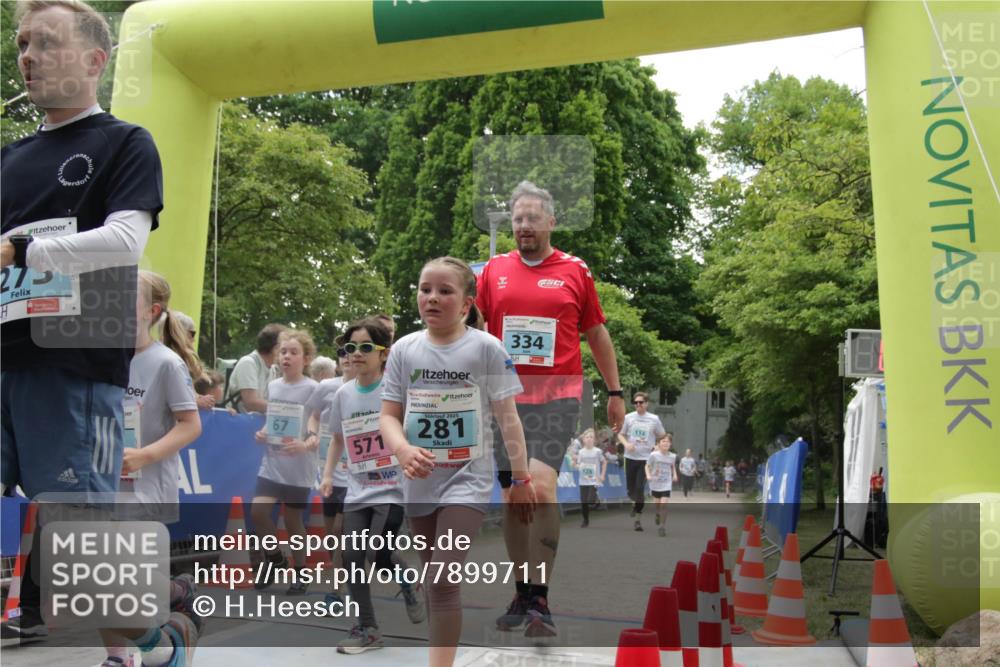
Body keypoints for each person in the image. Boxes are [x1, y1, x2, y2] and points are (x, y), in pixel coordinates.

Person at [1, 0, 163, 643]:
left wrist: (21, 250)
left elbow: (125, 240)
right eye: (21, 44)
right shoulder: (9, 156)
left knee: (83, 544)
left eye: (45, 42)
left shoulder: (124, 141)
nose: (28, 57)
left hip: (73, 354)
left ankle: (145, 645)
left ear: (95, 61)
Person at [476, 181, 624, 637]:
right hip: (505, 400)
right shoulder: (492, 271)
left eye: (532, 218)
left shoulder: (575, 271)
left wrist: (615, 393)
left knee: (539, 488)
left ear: (551, 222)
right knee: (513, 497)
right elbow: (475, 330)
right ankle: (522, 592)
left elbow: (596, 334)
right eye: (517, 218)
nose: (523, 226)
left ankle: (540, 596)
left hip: (559, 396)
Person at [381, 257, 535, 667]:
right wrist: (403, 450)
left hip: (467, 480)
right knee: (435, 584)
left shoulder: (486, 348)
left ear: (466, 304)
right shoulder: (404, 349)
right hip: (418, 481)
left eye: (445, 291)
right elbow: (388, 416)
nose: (432, 297)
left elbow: (508, 418)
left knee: (444, 579)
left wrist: (520, 479)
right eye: (425, 288)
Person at [99, 270, 203, 667]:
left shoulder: (165, 364)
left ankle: (175, 597)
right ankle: (117, 656)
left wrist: (144, 455)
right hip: (103, 486)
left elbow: (191, 425)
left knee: (126, 585)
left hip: (147, 489)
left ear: (151, 311)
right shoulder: (103, 359)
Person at [320, 318, 425, 654]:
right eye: (351, 348)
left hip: (394, 488)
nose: (356, 354)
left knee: (378, 554)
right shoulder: (342, 394)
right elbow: (338, 439)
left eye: (366, 347)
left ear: (384, 354)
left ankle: (407, 582)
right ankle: (368, 629)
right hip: (358, 490)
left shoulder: (395, 391)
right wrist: (326, 474)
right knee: (351, 557)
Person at [251, 329, 318, 594]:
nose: (286, 357)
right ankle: (276, 559)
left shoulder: (313, 389)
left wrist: (306, 444)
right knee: (258, 512)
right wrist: (263, 433)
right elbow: (273, 421)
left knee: (292, 521)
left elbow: (317, 428)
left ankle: (300, 573)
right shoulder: (274, 386)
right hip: (272, 463)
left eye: (293, 352)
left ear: (307, 358)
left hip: (299, 467)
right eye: (283, 352)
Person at [618, 391, 666, 531]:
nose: (638, 405)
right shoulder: (628, 418)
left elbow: (662, 434)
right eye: (636, 403)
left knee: (639, 488)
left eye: (641, 402)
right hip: (631, 457)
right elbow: (620, 434)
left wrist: (657, 445)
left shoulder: (654, 419)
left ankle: (638, 519)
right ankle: (634, 503)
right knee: (630, 490)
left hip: (646, 459)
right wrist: (626, 444)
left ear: (646, 403)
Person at [225, 323, 287, 413]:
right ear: (276, 348)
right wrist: (286, 410)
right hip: (238, 422)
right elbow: (251, 403)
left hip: (256, 423)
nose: (286, 354)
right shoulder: (248, 363)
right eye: (284, 349)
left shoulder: (272, 369)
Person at [646, 435, 678, 537]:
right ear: (659, 444)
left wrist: (675, 474)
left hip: (666, 483)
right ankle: (657, 513)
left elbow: (673, 466)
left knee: (664, 505)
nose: (665, 443)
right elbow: (647, 466)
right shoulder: (654, 455)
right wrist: (648, 475)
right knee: (657, 504)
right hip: (655, 483)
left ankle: (662, 527)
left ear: (670, 444)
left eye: (668, 442)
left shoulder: (672, 456)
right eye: (663, 441)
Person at [572, 428, 605, 528]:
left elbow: (604, 462)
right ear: (583, 440)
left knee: (590, 501)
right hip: (583, 480)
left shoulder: (597, 451)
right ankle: (585, 520)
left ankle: (596, 499)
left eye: (591, 437)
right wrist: (575, 464)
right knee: (584, 502)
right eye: (587, 437)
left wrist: (602, 475)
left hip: (594, 480)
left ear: (594, 440)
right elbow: (578, 465)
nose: (589, 439)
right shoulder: (581, 452)